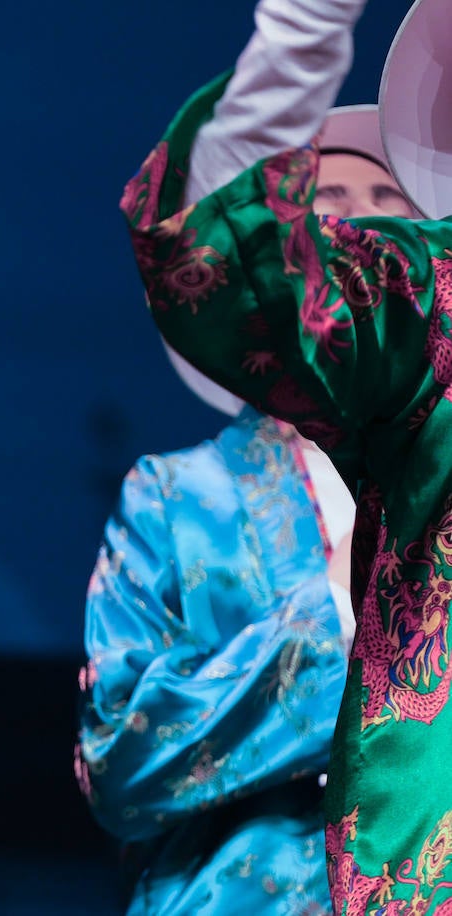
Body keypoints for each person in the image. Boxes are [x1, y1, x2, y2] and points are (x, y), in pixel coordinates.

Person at [119, 0, 452, 910]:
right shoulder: (430, 299)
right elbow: (228, 254)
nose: (358, 229)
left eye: (384, 205)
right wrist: (332, 618)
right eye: (329, 213)